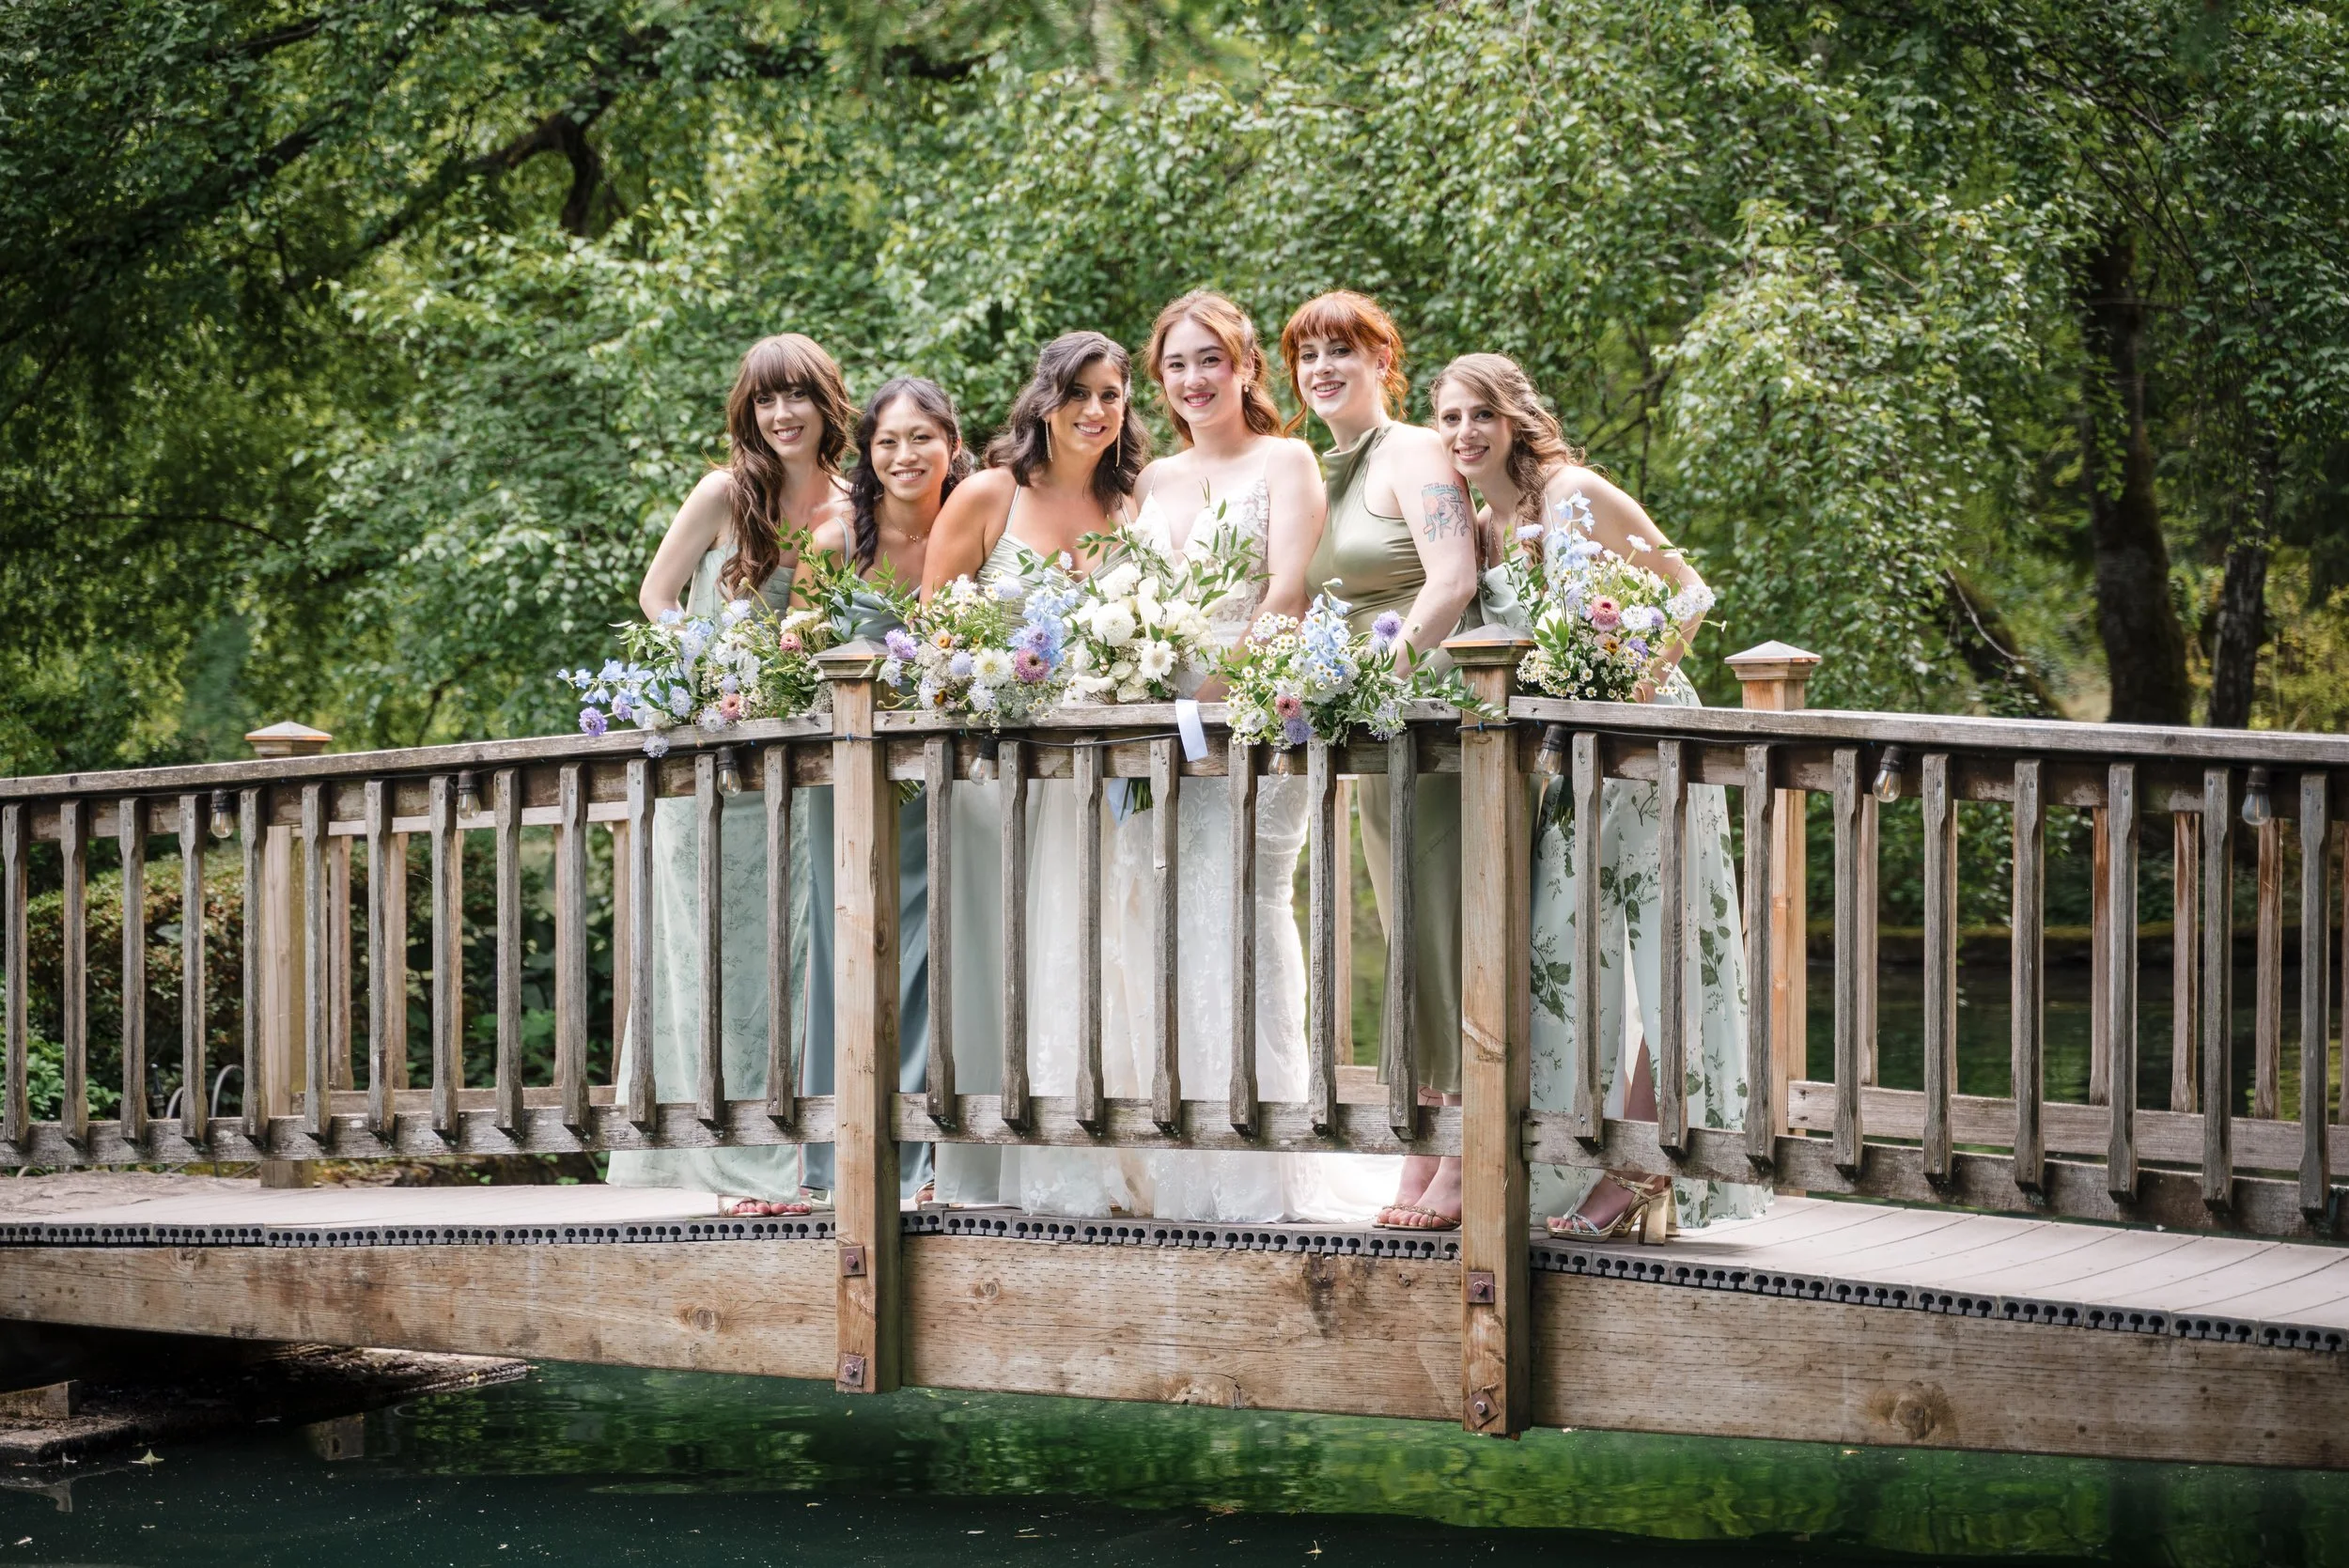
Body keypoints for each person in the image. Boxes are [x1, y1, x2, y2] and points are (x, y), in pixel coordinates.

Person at [1431, 350, 1766, 1239]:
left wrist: (1639, 679)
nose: (1464, 434)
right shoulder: (1488, 525)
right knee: (1562, 950)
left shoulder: (1573, 491)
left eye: (1479, 416)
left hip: (1650, 746)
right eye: (1449, 419)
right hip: (1572, 764)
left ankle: (1643, 1165)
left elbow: (1688, 588)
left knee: (1667, 947)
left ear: (1515, 419)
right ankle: (1561, 1156)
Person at [609, 332, 855, 1218]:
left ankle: (797, 1166)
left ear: (829, 401)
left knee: (803, 958)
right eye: (765, 399)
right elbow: (657, 593)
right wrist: (704, 668)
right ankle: (726, 1167)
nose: (782, 413)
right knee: (716, 958)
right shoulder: (723, 492)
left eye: (797, 395)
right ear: (748, 412)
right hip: (717, 770)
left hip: (810, 774)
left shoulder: (854, 502)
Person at [1100, 291, 1330, 1220]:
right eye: (1176, 366)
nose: (1193, 380)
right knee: (1162, 918)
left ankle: (1264, 1154)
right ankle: (1182, 1155)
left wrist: (1210, 694)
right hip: (1164, 730)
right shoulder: (1152, 480)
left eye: (1210, 361)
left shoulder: (1287, 460)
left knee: (1246, 908)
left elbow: (1288, 591)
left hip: (1254, 725)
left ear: (1243, 367)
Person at [920, 332, 1148, 1213]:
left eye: (1112, 395)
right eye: (1079, 393)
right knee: (1005, 954)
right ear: (1044, 398)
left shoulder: (1134, 504)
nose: (1095, 411)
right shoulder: (990, 493)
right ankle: (987, 1156)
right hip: (1001, 780)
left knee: (1106, 950)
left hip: (1110, 780)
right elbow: (934, 637)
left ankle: (1113, 1146)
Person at [1281, 291, 1481, 1232]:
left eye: (1341, 351)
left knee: (1443, 929)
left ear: (1382, 359)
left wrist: (1377, 678)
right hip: (1378, 737)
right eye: (1306, 355)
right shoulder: (1326, 468)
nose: (1322, 368)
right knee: (1407, 929)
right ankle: (1425, 1131)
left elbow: (1454, 579)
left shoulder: (1412, 451)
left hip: (1436, 721)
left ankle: (1464, 1148)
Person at [794, 377, 968, 1202]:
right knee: (848, 943)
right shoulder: (834, 543)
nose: (906, 455)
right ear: (868, 453)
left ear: (952, 447)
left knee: (942, 945)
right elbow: (794, 661)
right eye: (889, 441)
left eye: (923, 438)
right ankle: (839, 1154)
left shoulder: (970, 528)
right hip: (851, 780)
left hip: (945, 778)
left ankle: (934, 1156)